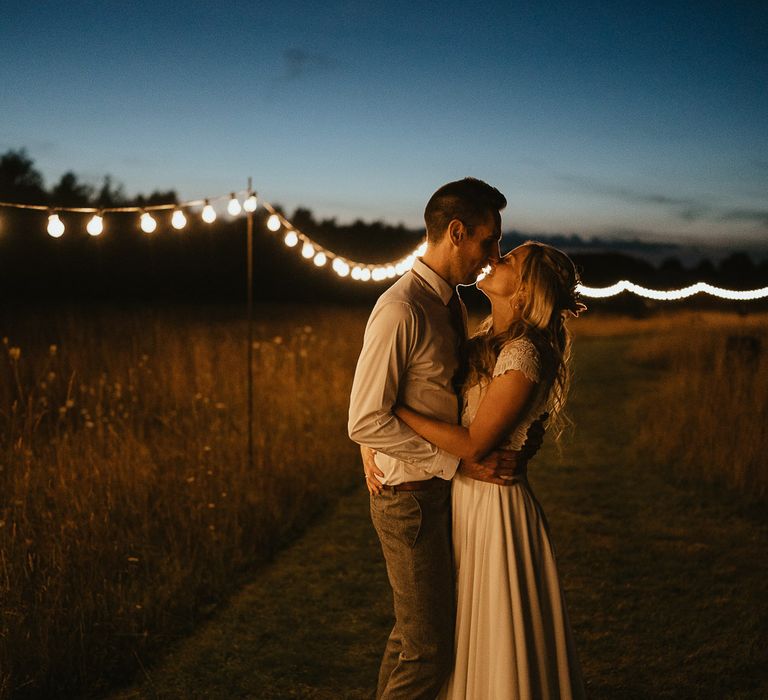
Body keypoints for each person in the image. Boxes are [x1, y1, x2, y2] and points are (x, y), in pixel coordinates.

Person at [348, 178, 540, 699]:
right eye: (489, 240)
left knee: (413, 636)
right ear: (456, 232)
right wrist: (455, 464)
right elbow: (365, 418)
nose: (493, 254)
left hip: (439, 494)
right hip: (410, 499)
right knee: (428, 651)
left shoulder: (450, 303)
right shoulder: (401, 309)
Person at [394, 241, 587, 699]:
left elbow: (475, 443)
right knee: (455, 627)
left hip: (495, 506)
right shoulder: (485, 341)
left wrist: (393, 410)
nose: (493, 260)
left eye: (509, 260)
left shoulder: (524, 354)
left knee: (493, 627)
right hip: (466, 498)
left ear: (523, 291)